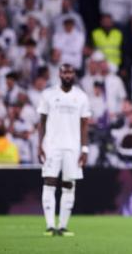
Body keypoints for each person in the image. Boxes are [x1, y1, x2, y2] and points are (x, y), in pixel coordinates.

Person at [37, 63, 91, 237]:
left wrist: (84, 149)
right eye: (65, 72)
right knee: (49, 183)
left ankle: (63, 226)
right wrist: (39, 145)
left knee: (69, 185)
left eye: (70, 72)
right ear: (59, 74)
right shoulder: (48, 95)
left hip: (73, 147)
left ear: (74, 74)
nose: (68, 75)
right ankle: (50, 225)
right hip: (51, 146)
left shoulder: (81, 96)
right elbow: (41, 121)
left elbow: (84, 125)